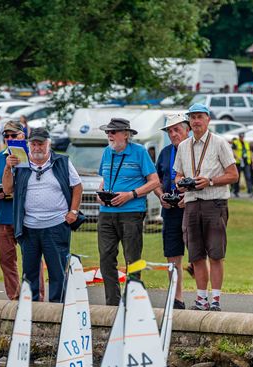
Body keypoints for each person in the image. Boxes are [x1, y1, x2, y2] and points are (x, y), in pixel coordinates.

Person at [1, 126, 83, 303]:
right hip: (29, 227)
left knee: (57, 272)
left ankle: (57, 312)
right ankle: (30, 311)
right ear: (29, 145)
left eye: (41, 144)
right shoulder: (20, 162)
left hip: (56, 225)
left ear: (49, 144)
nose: (37, 148)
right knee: (29, 273)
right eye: (34, 144)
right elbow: (7, 189)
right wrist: (8, 168)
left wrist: (74, 211)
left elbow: (77, 186)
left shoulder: (62, 161)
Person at [174, 103, 238, 311]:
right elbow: (178, 174)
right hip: (192, 203)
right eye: (192, 118)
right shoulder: (184, 146)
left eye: (200, 117)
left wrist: (209, 181)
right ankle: (201, 299)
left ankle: (216, 299)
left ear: (208, 119)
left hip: (215, 202)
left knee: (216, 253)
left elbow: (233, 175)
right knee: (196, 254)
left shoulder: (219, 143)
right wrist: (181, 182)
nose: (196, 121)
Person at [96, 117, 159, 306]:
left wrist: (131, 194)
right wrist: (100, 193)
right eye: (108, 132)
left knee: (132, 257)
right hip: (106, 212)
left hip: (132, 212)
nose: (109, 135)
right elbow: (104, 179)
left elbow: (154, 181)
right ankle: (112, 303)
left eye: (113, 132)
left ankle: (133, 300)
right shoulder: (107, 152)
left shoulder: (139, 152)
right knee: (106, 257)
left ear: (126, 134)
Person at [0, 119, 44, 300]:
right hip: (3, 216)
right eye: (6, 136)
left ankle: (36, 297)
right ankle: (14, 297)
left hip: (27, 217)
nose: (10, 138)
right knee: (6, 260)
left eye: (14, 135)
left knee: (32, 259)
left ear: (23, 135)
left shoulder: (33, 157)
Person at [154, 112, 190, 310]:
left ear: (187, 130)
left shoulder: (195, 150)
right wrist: (161, 196)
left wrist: (189, 197)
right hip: (170, 209)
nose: (173, 134)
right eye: (170, 131)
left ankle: (205, 297)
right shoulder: (165, 153)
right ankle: (177, 297)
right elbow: (155, 180)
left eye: (177, 129)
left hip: (191, 207)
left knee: (198, 254)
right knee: (172, 254)